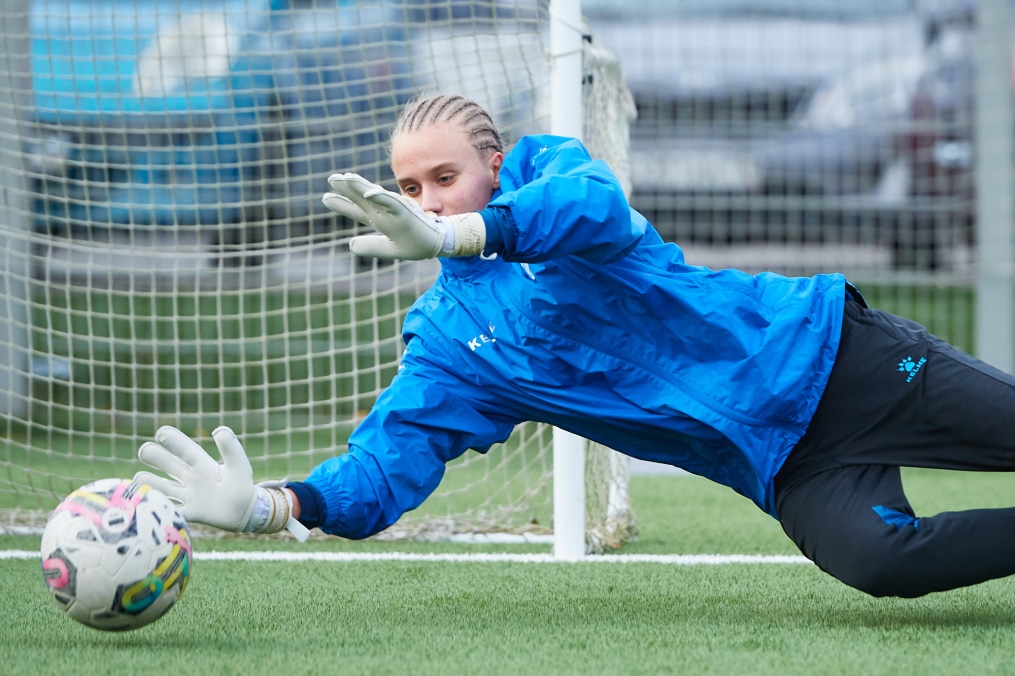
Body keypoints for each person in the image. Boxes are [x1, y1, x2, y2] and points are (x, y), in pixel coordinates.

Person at [135, 93, 1015, 599]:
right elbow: (383, 469)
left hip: (841, 360)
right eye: (410, 188)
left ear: (493, 162)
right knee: (876, 563)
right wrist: (274, 506)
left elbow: (589, 208)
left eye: (444, 178)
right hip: (785, 463)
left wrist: (465, 234)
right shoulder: (449, 344)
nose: (426, 200)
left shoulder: (553, 183)